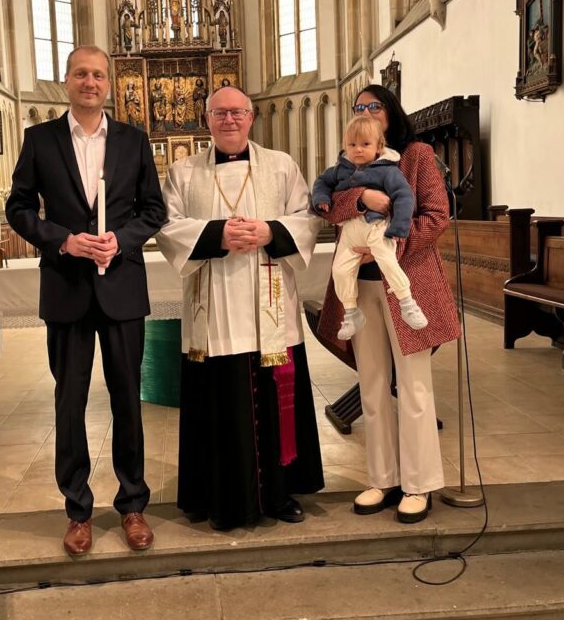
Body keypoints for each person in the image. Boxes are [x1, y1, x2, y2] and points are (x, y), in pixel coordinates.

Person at [6, 45, 166, 556]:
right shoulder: (40, 140)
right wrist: (62, 240)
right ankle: (77, 511)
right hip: (67, 288)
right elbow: (18, 207)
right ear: (68, 80)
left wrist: (122, 239)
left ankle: (133, 505)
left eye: (98, 75)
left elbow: (153, 209)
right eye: (81, 74)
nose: (90, 82)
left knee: (127, 400)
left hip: (121, 286)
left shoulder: (133, 141)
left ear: (109, 84)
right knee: (70, 402)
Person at [157, 86, 324, 530]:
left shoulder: (281, 165)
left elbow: (307, 217)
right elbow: (168, 226)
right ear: (207, 120)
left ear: (251, 117)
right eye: (220, 113)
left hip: (269, 306)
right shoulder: (183, 172)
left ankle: (279, 495)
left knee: (274, 401)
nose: (229, 119)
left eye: (237, 112)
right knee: (219, 404)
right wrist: (217, 236)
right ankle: (217, 499)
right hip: (213, 310)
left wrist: (270, 232)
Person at [317, 84, 460, 524]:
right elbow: (329, 208)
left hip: (405, 284)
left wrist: (390, 247)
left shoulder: (416, 155)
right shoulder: (348, 161)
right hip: (360, 289)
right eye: (359, 107)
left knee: (413, 386)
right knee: (373, 385)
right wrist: (361, 198)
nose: (366, 112)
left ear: (390, 111)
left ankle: (419, 484)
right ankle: (382, 478)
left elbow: (436, 215)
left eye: (373, 105)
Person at [312, 114, 428, 340]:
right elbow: (321, 182)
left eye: (365, 144)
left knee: (388, 261)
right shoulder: (340, 169)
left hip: (376, 227)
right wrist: (321, 198)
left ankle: (407, 303)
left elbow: (404, 196)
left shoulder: (387, 170)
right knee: (340, 270)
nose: (357, 150)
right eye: (352, 144)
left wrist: (399, 228)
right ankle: (351, 313)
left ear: (378, 146)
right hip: (349, 231)